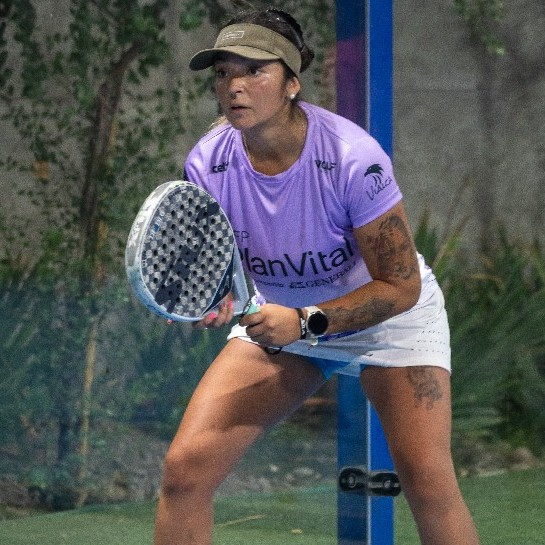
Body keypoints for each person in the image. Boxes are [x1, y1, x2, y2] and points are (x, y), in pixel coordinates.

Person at [153, 8, 480, 545]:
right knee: (185, 472)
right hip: (282, 318)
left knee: (428, 484)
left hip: (388, 319)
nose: (234, 85)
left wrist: (305, 322)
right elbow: (219, 265)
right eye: (223, 72)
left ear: (292, 83)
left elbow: (401, 286)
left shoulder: (353, 159)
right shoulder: (208, 164)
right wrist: (215, 300)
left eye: (254, 70)